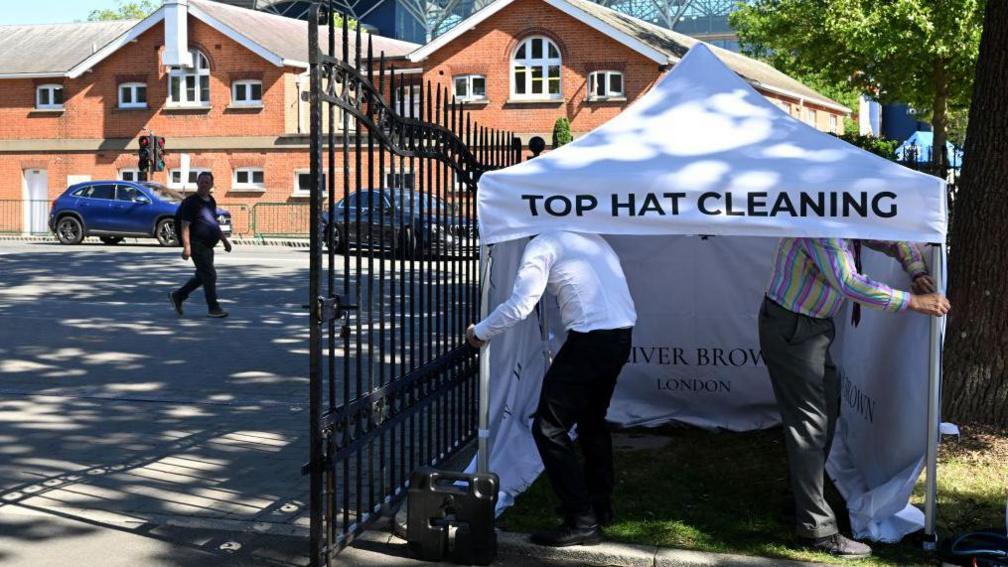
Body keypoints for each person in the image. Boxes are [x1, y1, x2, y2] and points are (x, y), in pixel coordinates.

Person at [759, 238, 950, 559]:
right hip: (794, 326)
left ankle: (804, 502)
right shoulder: (821, 222)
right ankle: (816, 529)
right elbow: (849, 283)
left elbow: (888, 238)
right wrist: (913, 301)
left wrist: (916, 269)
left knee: (825, 414)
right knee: (810, 425)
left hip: (809, 325)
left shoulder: (844, 208)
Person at [465, 231, 636, 547]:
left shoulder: (542, 245)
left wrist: (481, 331)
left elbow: (521, 305)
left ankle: (582, 521)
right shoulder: (590, 237)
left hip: (590, 340)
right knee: (591, 423)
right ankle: (599, 506)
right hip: (620, 335)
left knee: (548, 429)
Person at [169, 172, 232, 318]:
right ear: (197, 183)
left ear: (211, 184)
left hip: (209, 245)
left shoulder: (210, 200)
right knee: (210, 275)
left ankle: (178, 296)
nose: (204, 185)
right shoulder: (190, 202)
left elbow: (213, 222)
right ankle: (213, 308)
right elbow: (185, 225)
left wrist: (224, 240)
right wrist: (187, 247)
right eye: (201, 182)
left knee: (202, 275)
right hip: (197, 244)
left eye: (207, 182)